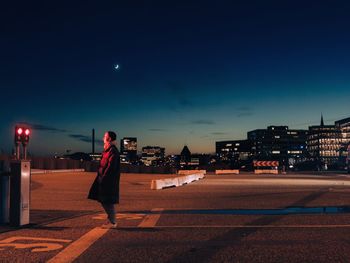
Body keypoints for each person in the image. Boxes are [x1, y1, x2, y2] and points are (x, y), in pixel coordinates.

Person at [88, 131, 121, 228]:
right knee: (104, 200)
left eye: (105, 136)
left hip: (107, 180)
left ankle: (112, 222)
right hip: (103, 178)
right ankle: (111, 220)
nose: (103, 138)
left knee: (107, 201)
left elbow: (111, 167)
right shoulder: (108, 150)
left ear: (109, 139)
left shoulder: (112, 151)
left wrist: (104, 178)